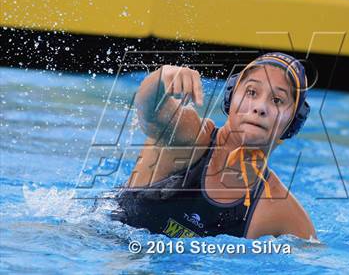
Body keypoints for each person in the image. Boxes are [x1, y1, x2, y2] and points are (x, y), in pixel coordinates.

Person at [112, 52, 316, 240]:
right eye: (252, 92)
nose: (260, 107)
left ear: (293, 123)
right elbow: (150, 114)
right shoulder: (191, 137)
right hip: (110, 246)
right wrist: (161, 79)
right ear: (231, 96)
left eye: (277, 100)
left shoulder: (279, 210)